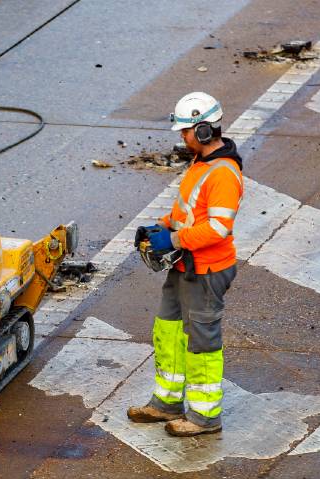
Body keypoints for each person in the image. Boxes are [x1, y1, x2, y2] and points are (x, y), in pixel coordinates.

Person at [128, 92, 243, 436]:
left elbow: (219, 228)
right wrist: (162, 226)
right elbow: (188, 212)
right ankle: (166, 404)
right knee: (168, 329)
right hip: (184, 266)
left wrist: (174, 240)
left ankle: (205, 417)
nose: (182, 137)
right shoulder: (201, 164)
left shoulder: (224, 173)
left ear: (205, 130)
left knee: (202, 342)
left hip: (206, 271)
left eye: (186, 131)